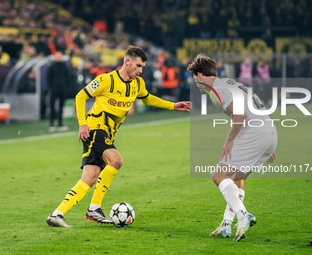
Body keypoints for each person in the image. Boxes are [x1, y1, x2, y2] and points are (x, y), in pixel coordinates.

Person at [46, 46, 192, 228]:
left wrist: (172, 105)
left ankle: (57, 214)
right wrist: (82, 123)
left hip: (107, 134)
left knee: (90, 178)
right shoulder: (106, 80)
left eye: (143, 67)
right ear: (127, 62)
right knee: (116, 161)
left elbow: (148, 99)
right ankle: (94, 208)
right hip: (95, 129)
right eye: (138, 65)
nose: (140, 70)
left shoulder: (137, 84)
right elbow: (81, 96)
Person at [187, 55, 277, 241]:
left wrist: (229, 140)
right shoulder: (229, 82)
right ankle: (226, 225)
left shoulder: (218, 90)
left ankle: (243, 215)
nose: (195, 83)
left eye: (195, 79)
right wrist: (266, 142)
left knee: (218, 176)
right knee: (237, 179)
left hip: (256, 133)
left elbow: (240, 115)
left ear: (200, 75)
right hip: (268, 131)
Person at [47, 51, 70, 131]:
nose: (58, 58)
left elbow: (68, 77)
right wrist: (50, 88)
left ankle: (60, 124)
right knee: (52, 107)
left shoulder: (64, 66)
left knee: (61, 107)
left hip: (62, 89)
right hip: (54, 90)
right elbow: (48, 78)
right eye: (57, 56)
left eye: (60, 56)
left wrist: (66, 87)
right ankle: (52, 124)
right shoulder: (51, 66)